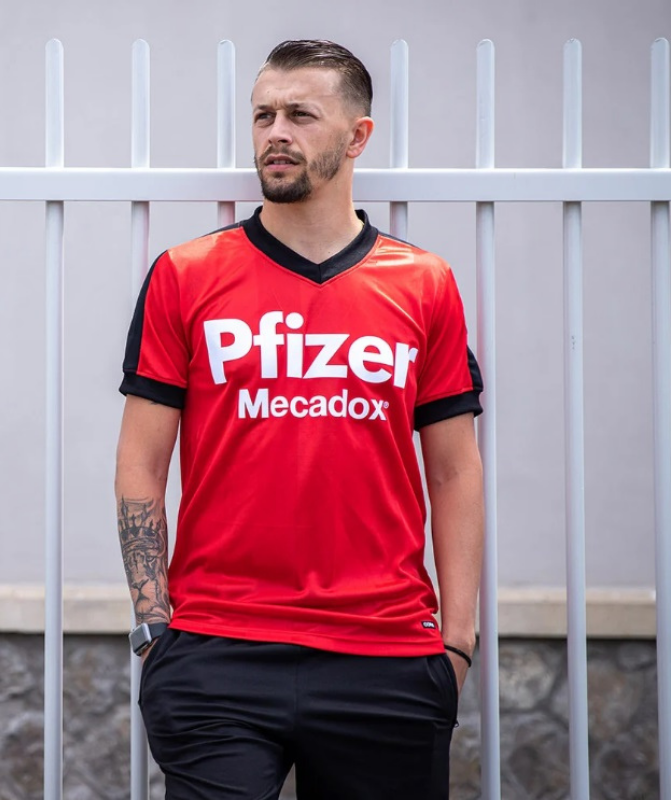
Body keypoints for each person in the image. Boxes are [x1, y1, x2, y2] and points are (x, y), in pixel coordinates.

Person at [116, 39, 484, 800]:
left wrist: (456, 641)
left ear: (357, 136)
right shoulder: (186, 275)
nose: (275, 133)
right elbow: (141, 463)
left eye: (300, 115)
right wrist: (153, 625)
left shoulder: (424, 283)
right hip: (217, 650)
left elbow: (454, 470)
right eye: (263, 116)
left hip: (385, 654)